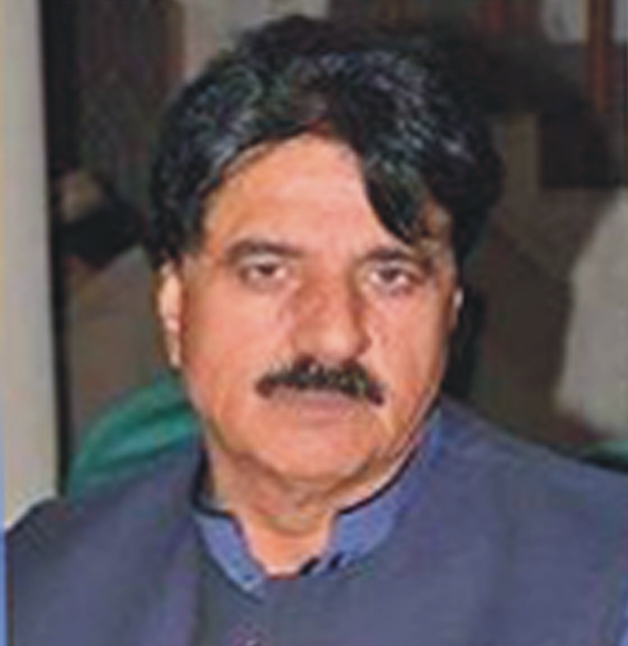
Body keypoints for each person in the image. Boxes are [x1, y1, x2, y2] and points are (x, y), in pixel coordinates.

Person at [8, 16, 628, 646]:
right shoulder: (39, 585)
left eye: (390, 277)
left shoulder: (601, 576)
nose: (333, 337)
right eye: (268, 271)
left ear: (450, 311)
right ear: (175, 305)